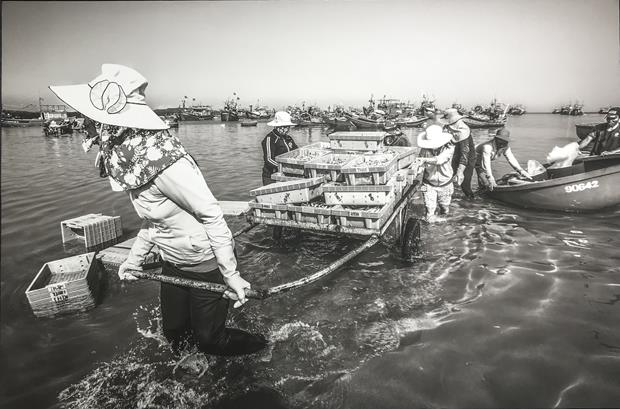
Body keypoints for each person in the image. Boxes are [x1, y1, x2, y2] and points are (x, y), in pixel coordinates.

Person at [50, 64, 267, 356]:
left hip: (205, 264)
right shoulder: (135, 160)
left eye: (91, 120)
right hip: (173, 260)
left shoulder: (167, 162)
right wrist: (135, 260)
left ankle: (266, 344)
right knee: (175, 335)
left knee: (210, 340)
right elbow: (154, 221)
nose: (85, 126)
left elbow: (212, 215)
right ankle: (192, 374)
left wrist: (231, 275)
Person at [414, 125, 456, 223]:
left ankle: (444, 228)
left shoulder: (449, 149)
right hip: (428, 183)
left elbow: (439, 160)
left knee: (445, 208)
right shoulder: (424, 150)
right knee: (429, 211)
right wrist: (417, 170)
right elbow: (421, 166)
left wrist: (424, 160)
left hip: (446, 183)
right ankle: (430, 230)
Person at [443, 108, 476, 199]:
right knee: (448, 180)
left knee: (465, 184)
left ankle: (470, 200)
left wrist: (460, 171)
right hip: (454, 155)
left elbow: (465, 153)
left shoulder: (463, 129)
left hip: (467, 158)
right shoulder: (447, 128)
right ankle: (450, 202)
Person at [261, 111, 298, 185]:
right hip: (272, 176)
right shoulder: (270, 138)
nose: (286, 129)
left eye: (288, 127)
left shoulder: (288, 138)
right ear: (277, 126)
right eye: (284, 127)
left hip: (287, 174)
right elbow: (269, 159)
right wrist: (283, 167)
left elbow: (296, 151)